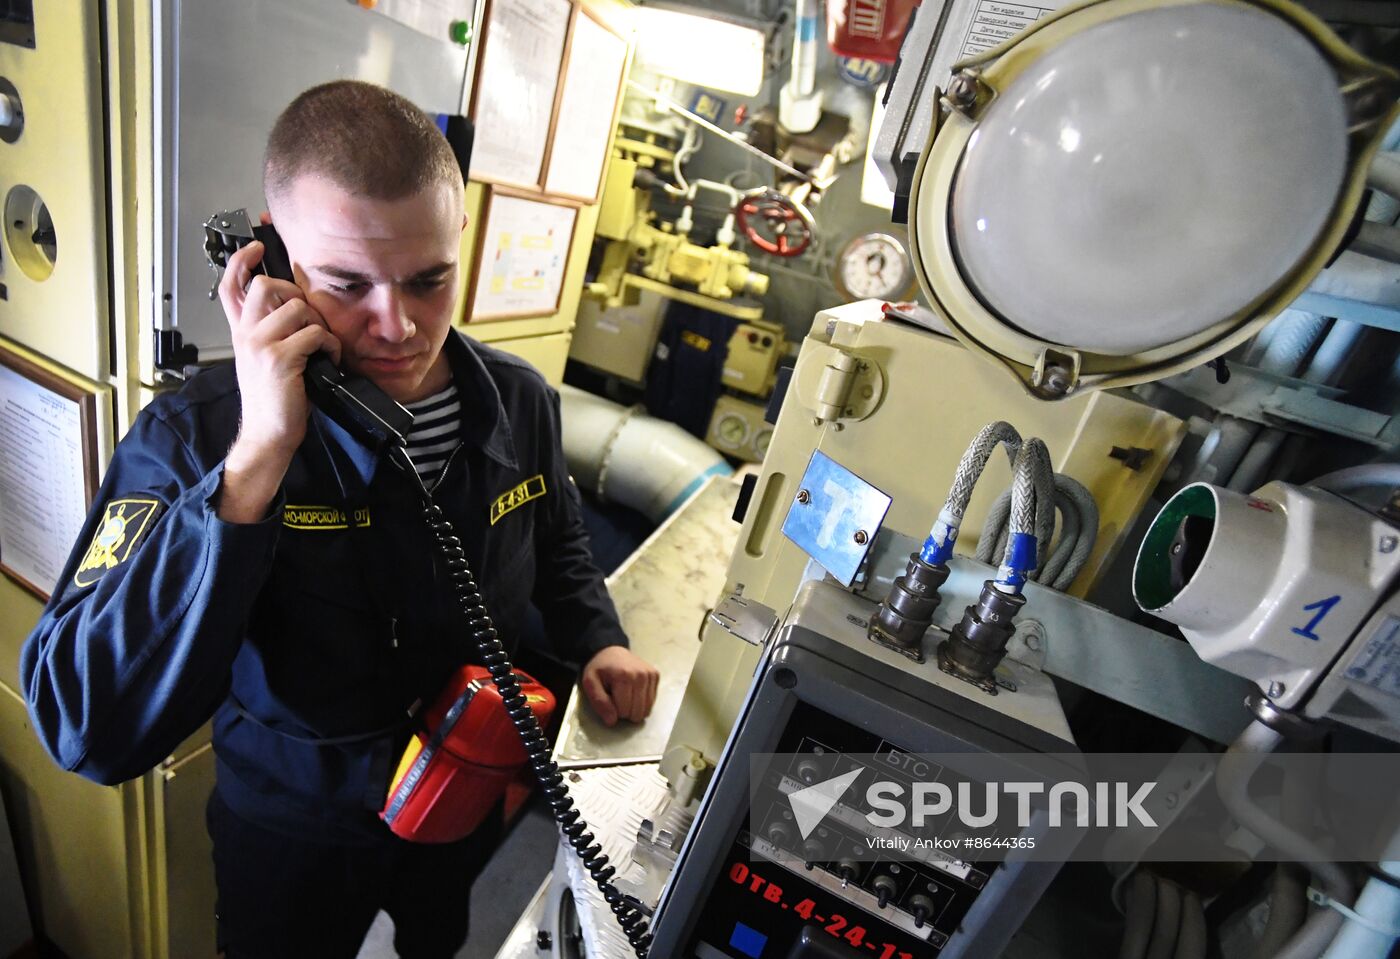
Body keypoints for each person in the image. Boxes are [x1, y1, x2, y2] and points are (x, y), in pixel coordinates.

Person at [20, 80, 659, 958]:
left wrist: (599, 639)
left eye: (428, 280)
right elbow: (83, 722)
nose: (396, 325)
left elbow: (558, 539)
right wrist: (254, 465)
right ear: (271, 262)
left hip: (462, 782)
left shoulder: (519, 402)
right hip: (294, 821)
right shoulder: (197, 434)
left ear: (458, 241)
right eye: (345, 283)